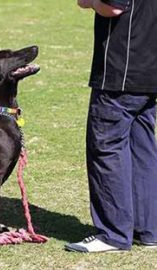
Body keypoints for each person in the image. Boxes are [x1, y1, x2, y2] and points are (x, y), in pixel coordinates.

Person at [65, 0, 157, 252]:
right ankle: (147, 230)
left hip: (121, 73)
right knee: (142, 148)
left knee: (106, 146)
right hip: (149, 68)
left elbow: (114, 6)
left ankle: (113, 234)